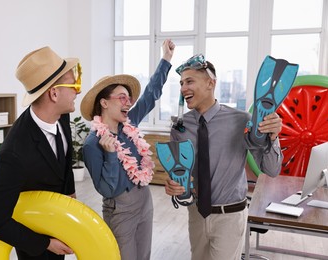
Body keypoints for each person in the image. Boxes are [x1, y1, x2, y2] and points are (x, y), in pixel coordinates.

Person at [164, 54, 283, 260]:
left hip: (230, 216)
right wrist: (173, 186)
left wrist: (273, 137)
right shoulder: (180, 126)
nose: (183, 88)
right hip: (196, 214)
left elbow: (271, 169)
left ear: (211, 83)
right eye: (181, 83)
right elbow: (179, 173)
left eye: (190, 81)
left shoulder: (242, 121)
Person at [0, 46, 81, 259]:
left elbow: (64, 161)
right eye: (73, 84)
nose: (78, 90)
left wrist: (70, 194)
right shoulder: (14, 153)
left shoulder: (61, 115)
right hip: (34, 242)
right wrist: (46, 243)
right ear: (54, 94)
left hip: (58, 221)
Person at [80, 39, 175, 260]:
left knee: (144, 256)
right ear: (104, 103)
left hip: (145, 200)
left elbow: (151, 93)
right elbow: (107, 190)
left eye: (129, 98)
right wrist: (111, 156)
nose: (129, 102)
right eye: (122, 98)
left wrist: (166, 59)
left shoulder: (129, 123)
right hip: (120, 209)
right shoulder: (92, 144)